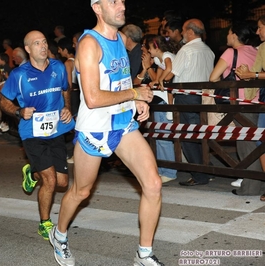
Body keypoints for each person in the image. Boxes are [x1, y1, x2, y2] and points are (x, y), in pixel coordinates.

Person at [49, 1, 162, 266]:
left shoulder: (121, 39)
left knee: (153, 184)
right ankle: (60, 234)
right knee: (81, 192)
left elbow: (118, 82)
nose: (121, 6)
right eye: (113, 1)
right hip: (95, 127)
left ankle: (143, 254)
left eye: (122, 1)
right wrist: (135, 93)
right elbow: (92, 97)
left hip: (122, 124)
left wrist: (134, 102)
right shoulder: (90, 44)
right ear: (97, 8)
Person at [0, 30, 75, 241]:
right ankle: (44, 223)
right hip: (32, 132)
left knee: (62, 183)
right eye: (36, 43)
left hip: (56, 130)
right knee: (49, 180)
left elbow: (65, 89)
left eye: (44, 42)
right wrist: (18, 111)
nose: (42, 46)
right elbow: (3, 101)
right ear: (28, 49)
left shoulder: (58, 67)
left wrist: (67, 108)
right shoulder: (19, 75)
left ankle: (31, 174)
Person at [209, 21, 259, 188]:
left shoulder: (231, 52)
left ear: (235, 35)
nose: (227, 36)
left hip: (239, 102)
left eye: (229, 32)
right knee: (254, 141)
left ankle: (251, 184)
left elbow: (213, 78)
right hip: (257, 101)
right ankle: (248, 177)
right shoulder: (255, 50)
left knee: (245, 142)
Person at [166, 18, 215, 186]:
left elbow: (172, 73)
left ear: (191, 32)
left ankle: (200, 175)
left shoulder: (186, 50)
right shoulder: (209, 51)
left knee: (188, 137)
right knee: (200, 135)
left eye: (183, 30)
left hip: (186, 97)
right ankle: (207, 169)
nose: (182, 33)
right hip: (204, 97)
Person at [235, 15, 265, 201]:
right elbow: (255, 72)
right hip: (263, 99)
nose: (257, 31)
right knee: (261, 142)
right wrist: (247, 75)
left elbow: (256, 72)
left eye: (261, 27)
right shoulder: (261, 48)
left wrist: (251, 74)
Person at [147, 35, 178, 183]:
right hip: (164, 97)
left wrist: (160, 80)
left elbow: (170, 69)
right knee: (159, 136)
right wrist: (156, 80)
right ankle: (162, 168)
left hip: (167, 99)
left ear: (156, 47)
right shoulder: (159, 60)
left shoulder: (166, 55)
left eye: (149, 47)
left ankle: (169, 171)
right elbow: (157, 77)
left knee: (163, 136)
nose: (148, 50)